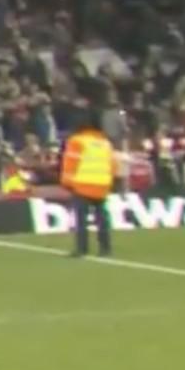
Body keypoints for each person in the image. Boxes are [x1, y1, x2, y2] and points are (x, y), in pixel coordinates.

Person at [60, 108, 116, 258]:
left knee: (81, 219)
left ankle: (82, 248)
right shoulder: (105, 142)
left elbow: (71, 163)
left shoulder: (77, 141)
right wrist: (109, 181)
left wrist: (66, 182)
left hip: (82, 185)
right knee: (102, 218)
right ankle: (105, 248)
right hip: (101, 185)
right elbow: (112, 164)